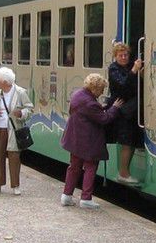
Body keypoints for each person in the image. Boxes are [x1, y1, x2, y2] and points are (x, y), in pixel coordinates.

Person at [60, 73, 123, 210]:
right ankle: (86, 198)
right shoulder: (90, 102)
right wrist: (114, 108)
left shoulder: (78, 95)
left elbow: (92, 113)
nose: (101, 92)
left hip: (75, 138)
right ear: (94, 88)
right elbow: (104, 119)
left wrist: (103, 107)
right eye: (101, 89)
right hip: (88, 140)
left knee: (74, 167)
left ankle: (66, 195)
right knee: (90, 167)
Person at [0, 66, 34, 195]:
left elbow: (30, 109)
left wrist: (21, 113)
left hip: (13, 129)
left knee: (14, 157)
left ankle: (15, 185)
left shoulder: (20, 93)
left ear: (5, 82)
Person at [108, 42, 144, 184]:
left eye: (126, 55)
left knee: (132, 141)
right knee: (126, 142)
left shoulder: (129, 67)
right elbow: (123, 86)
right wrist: (134, 71)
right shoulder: (113, 69)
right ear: (115, 56)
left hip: (132, 110)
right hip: (122, 111)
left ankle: (126, 172)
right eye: (120, 55)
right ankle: (123, 173)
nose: (124, 57)